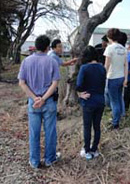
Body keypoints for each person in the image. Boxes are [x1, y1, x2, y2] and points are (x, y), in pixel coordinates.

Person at [18, 35, 60, 169]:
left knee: (34, 133)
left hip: (33, 102)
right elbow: (54, 83)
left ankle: (34, 162)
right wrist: (43, 98)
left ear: (36, 46)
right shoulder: (52, 61)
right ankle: (49, 159)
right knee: (50, 132)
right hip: (48, 102)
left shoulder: (26, 61)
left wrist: (34, 98)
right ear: (48, 47)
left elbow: (22, 83)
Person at [76, 46, 106, 160]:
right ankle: (95, 149)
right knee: (97, 126)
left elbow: (79, 85)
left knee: (87, 127)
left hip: (88, 101)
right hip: (100, 100)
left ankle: (86, 150)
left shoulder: (84, 68)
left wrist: (80, 94)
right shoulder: (102, 68)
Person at [104, 28, 128, 129]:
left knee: (113, 101)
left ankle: (115, 123)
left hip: (112, 77)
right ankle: (117, 118)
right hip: (121, 77)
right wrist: (126, 78)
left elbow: (107, 65)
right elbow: (126, 65)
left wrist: (102, 76)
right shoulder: (123, 48)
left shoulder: (110, 48)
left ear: (109, 37)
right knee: (118, 99)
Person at [48, 39, 78, 119]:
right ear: (54, 48)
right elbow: (63, 63)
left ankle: (53, 113)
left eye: (62, 47)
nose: (61, 49)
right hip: (51, 81)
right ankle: (53, 115)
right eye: (59, 47)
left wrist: (71, 62)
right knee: (53, 97)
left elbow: (62, 64)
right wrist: (73, 60)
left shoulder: (51, 54)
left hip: (50, 81)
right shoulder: (53, 56)